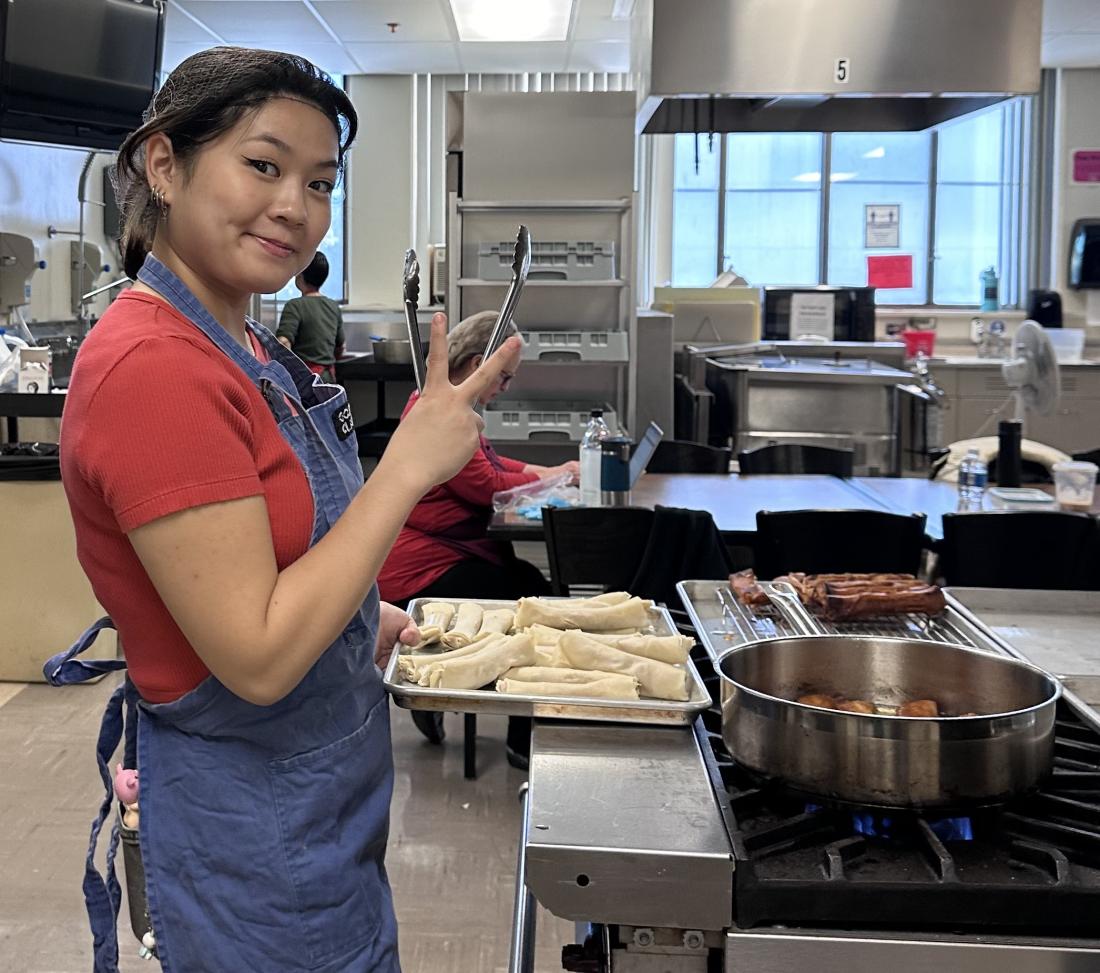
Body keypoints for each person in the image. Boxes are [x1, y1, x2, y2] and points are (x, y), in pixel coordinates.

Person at [44, 47, 520, 973]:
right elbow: (256, 656)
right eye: (262, 165)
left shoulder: (241, 343)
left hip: (320, 800)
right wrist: (407, 467)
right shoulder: (156, 368)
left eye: (320, 180)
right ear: (166, 164)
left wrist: (358, 618)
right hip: (257, 818)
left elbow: (262, 557)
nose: (296, 206)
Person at [377, 310, 577, 763]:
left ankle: (512, 720)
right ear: (473, 366)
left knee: (533, 589)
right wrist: (548, 480)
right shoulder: (441, 418)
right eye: (502, 377)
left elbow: (491, 463)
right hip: (422, 566)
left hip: (449, 551)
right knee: (533, 610)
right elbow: (485, 485)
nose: (505, 387)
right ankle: (518, 737)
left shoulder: (452, 410)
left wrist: (547, 473)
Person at [276, 250, 344, 382]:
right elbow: (340, 347)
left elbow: (283, 342)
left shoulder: (295, 306)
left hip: (304, 379)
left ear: (300, 275)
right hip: (329, 377)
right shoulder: (333, 306)